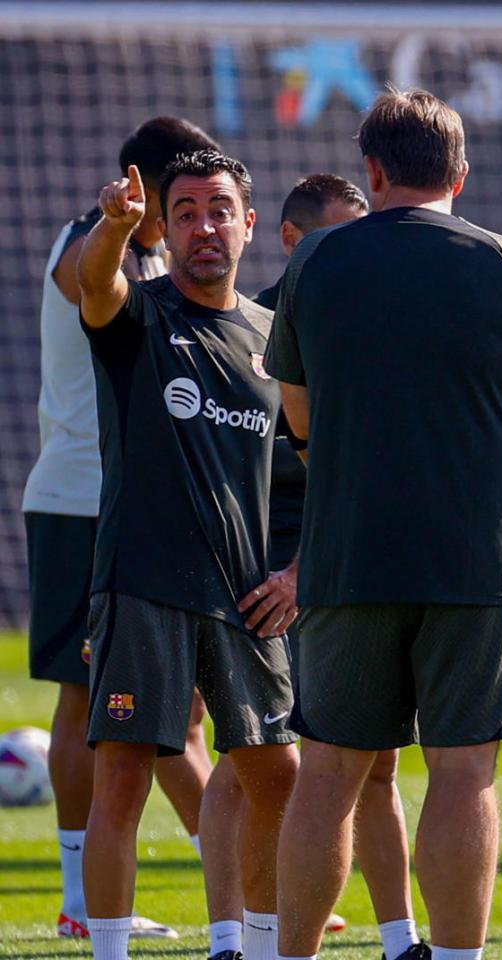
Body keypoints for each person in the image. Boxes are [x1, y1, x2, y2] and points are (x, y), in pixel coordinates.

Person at [266, 89, 502, 960]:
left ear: (373, 170)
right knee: (464, 772)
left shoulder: (318, 259)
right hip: (478, 559)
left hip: (348, 556)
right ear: (461, 173)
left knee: (328, 773)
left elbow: (297, 412)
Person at [77, 149, 300, 960]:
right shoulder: (141, 315)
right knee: (123, 777)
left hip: (246, 596)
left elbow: (321, 471)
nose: (205, 227)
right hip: (143, 585)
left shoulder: (276, 340)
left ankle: (247, 946)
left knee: (279, 776)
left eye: (219, 211)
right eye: (186, 214)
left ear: (249, 224)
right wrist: (114, 228)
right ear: (166, 230)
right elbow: (95, 286)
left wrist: (298, 574)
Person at [196, 174, 416, 960]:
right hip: (262, 583)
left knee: (379, 763)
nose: (363, 248)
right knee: (250, 762)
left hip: (341, 569)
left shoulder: (374, 327)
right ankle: (229, 940)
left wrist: (313, 568)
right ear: (291, 240)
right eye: (342, 232)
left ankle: (402, 941)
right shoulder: (246, 330)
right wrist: (279, 576)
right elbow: (217, 476)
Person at [22, 116, 223, 943]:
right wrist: (118, 227)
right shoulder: (91, 243)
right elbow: (86, 281)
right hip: (83, 504)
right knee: (87, 703)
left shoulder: (157, 261)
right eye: (184, 191)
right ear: (148, 186)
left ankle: (241, 873)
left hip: (141, 506)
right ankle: (79, 900)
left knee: (181, 714)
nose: (198, 210)